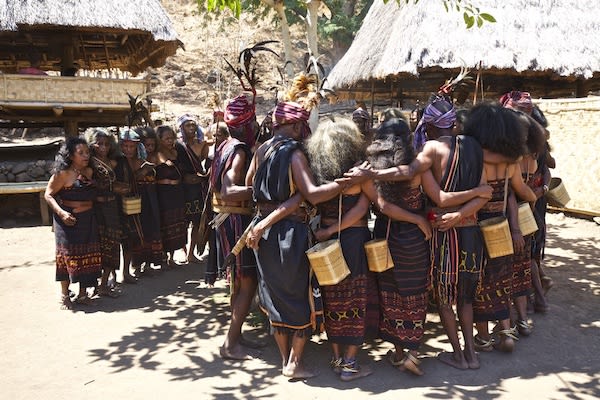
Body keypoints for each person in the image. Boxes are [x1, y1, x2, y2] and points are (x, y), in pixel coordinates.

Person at [245, 73, 348, 379]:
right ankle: (295, 363)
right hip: (289, 234)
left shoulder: (261, 149)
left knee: (275, 294)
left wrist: (264, 216)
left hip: (260, 233)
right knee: (299, 295)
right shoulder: (294, 153)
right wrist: (345, 183)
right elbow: (312, 194)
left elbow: (250, 183)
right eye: (301, 127)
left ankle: (284, 360)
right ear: (293, 127)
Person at [464, 104, 537, 353]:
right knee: (502, 280)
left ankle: (483, 338)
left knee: (480, 283)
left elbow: (478, 196)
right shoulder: (511, 163)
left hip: (477, 229)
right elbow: (515, 197)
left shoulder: (475, 161)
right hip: (504, 227)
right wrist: (519, 224)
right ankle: (506, 332)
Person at [211, 96, 261, 360]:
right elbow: (229, 190)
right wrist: (261, 191)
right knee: (248, 282)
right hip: (236, 220)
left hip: (226, 220)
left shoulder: (224, 145)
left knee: (239, 283)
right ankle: (230, 343)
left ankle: (237, 335)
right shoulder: (240, 150)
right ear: (247, 124)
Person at [45, 137, 102, 309]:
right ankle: (65, 295)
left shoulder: (90, 172)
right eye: (81, 153)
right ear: (70, 156)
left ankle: (83, 294)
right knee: (67, 256)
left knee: (87, 255)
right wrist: (62, 213)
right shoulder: (62, 174)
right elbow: (48, 194)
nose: (86, 156)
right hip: (68, 222)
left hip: (88, 219)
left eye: (87, 152)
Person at [115, 129, 163, 283]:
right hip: (126, 203)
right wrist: (142, 171)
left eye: (132, 147)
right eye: (126, 146)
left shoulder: (143, 159)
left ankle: (146, 264)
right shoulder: (118, 162)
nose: (129, 150)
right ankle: (129, 270)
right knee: (130, 237)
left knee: (148, 231)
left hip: (146, 201)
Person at [87, 129, 127, 297]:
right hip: (96, 210)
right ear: (91, 144)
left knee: (112, 244)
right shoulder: (89, 163)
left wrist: (119, 188)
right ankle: (94, 285)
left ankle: (104, 284)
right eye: (99, 143)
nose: (103, 146)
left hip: (112, 208)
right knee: (96, 246)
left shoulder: (112, 162)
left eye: (106, 143)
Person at [176, 114, 210, 263]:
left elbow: (201, 163)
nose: (191, 128)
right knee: (182, 222)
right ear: (181, 128)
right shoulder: (177, 145)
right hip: (182, 189)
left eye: (193, 125)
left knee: (197, 221)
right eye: (187, 125)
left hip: (197, 188)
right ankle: (183, 251)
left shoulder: (202, 144)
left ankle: (191, 253)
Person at [155, 125, 187, 267]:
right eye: (166, 138)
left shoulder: (177, 152)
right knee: (165, 224)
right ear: (159, 140)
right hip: (164, 194)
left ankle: (172, 257)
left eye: (171, 138)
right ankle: (163, 257)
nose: (170, 141)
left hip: (177, 192)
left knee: (177, 224)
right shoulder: (156, 155)